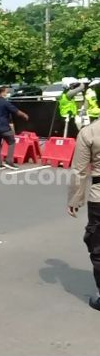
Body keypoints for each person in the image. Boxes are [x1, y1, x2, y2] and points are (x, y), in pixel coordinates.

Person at [67, 117, 100, 311]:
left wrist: (74, 200)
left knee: (98, 248)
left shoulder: (89, 132)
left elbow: (79, 171)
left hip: (99, 198)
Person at [0, 86, 29, 170]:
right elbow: (15, 111)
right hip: (3, 127)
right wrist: (24, 115)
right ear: (3, 92)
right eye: (6, 92)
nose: (7, 93)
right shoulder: (5, 102)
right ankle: (9, 161)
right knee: (12, 142)